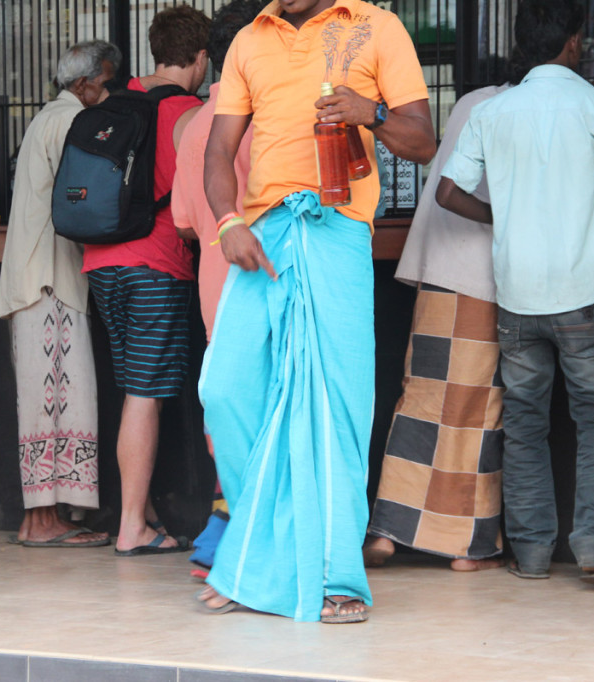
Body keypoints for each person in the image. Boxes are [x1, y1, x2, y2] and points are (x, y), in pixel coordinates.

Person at [197, 0, 435, 622]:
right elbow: (219, 151)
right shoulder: (249, 39)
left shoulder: (378, 28)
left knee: (335, 407)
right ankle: (264, 558)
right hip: (263, 235)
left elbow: (423, 142)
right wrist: (226, 224)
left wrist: (371, 113)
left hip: (337, 232)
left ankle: (337, 577)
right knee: (226, 390)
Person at [437, 0, 594, 587]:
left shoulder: (492, 112)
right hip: (584, 294)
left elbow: (448, 193)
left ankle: (529, 553)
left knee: (524, 422)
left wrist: (506, 219)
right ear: (574, 42)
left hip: (518, 297)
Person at [364, 60, 530, 572]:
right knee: (475, 413)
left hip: (435, 272)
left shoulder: (469, 101)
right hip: (480, 277)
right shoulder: (518, 110)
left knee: (421, 401)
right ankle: (467, 545)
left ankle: (388, 531)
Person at [81, 6, 210, 556]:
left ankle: (143, 509)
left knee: (133, 386)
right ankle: (132, 525)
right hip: (155, 264)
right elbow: (194, 206)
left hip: (100, 262)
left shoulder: (116, 101)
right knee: (145, 393)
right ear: (201, 58)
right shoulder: (187, 113)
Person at [0, 41, 120, 548]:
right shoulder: (70, 123)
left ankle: (45, 516)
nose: (109, 93)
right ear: (85, 84)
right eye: (107, 83)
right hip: (48, 280)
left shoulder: (48, 118)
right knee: (53, 398)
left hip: (41, 280)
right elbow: (81, 199)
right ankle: (41, 520)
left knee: (49, 397)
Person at [170, 0, 264, 580]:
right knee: (267, 407)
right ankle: (239, 534)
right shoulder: (266, 117)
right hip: (261, 278)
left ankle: (223, 527)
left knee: (226, 409)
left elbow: (183, 220)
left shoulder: (194, 126)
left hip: (213, 283)